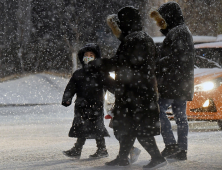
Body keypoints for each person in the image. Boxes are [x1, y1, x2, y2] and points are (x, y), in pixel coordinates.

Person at [90, 6, 167, 169]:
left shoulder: (135, 40)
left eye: (121, 22)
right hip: (138, 91)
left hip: (136, 93)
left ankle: (157, 158)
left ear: (127, 22)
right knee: (128, 127)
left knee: (138, 128)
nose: (120, 26)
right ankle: (123, 158)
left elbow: (122, 62)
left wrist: (100, 64)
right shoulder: (141, 37)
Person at [150, 2, 195, 160]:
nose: (161, 22)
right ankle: (181, 150)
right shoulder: (181, 30)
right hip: (182, 82)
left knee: (158, 110)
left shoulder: (178, 32)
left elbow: (174, 57)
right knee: (180, 116)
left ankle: (170, 145)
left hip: (173, 81)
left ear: (169, 16)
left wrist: (156, 64)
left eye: (162, 19)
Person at [61, 43, 115, 159]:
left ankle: (101, 149)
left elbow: (112, 85)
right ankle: (78, 149)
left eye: (91, 55)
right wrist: (67, 98)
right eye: (86, 55)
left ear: (96, 58)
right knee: (81, 126)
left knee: (97, 127)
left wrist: (122, 92)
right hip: (81, 105)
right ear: (82, 57)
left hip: (96, 104)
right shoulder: (78, 73)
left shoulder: (100, 73)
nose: (88, 57)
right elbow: (71, 87)